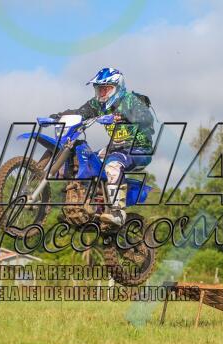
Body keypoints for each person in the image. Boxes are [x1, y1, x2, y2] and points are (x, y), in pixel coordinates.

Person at [50, 67, 154, 225]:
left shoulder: (130, 100)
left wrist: (125, 116)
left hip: (138, 148)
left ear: (117, 88)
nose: (102, 93)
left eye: (106, 89)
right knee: (88, 162)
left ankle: (118, 213)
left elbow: (146, 117)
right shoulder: (97, 104)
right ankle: (89, 205)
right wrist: (61, 116)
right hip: (116, 147)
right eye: (99, 89)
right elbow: (80, 112)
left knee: (113, 165)